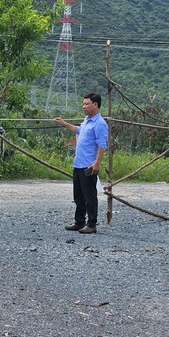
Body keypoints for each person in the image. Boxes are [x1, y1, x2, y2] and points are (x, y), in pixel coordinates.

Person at [54, 92, 108, 234]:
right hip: (78, 164)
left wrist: (97, 163)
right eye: (83, 103)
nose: (83, 106)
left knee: (89, 196)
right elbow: (78, 130)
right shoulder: (86, 120)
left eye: (86, 104)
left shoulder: (100, 123)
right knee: (78, 196)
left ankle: (91, 224)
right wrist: (64, 123)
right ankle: (79, 222)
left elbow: (102, 145)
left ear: (95, 105)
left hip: (88, 165)